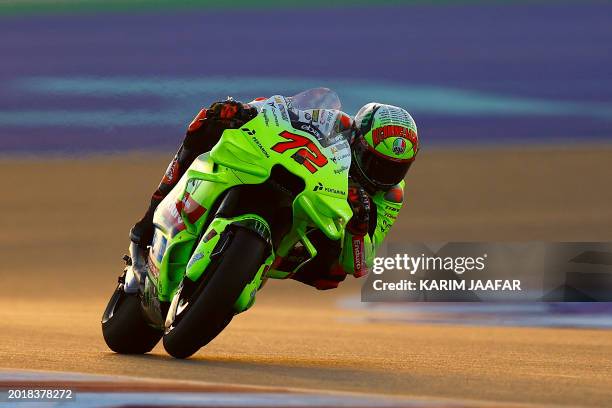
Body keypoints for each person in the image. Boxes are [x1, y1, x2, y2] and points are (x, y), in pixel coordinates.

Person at [129, 95, 419, 290]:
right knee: (209, 122)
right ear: (357, 139)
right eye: (375, 163)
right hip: (298, 174)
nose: (383, 176)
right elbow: (280, 111)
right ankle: (149, 216)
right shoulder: (337, 122)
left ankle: (255, 264)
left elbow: (359, 265)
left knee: (332, 276)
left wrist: (358, 227)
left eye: (395, 169)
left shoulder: (390, 195)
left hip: (317, 221)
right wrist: (244, 111)